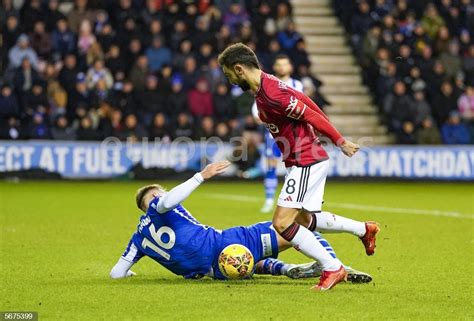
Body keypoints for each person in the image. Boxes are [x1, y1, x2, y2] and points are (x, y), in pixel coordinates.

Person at [218, 43, 379, 291]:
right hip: (303, 159)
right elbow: (307, 102)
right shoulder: (266, 87)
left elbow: (310, 115)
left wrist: (340, 141)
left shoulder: (272, 94)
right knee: (304, 219)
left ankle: (331, 267)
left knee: (282, 223)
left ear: (239, 69)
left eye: (229, 75)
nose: (229, 80)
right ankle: (363, 229)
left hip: (306, 159)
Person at [110, 161, 372, 284]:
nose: (162, 196)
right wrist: (200, 176)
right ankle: (337, 266)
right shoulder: (160, 205)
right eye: (157, 194)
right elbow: (166, 202)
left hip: (218, 271)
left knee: (252, 261)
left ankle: (290, 269)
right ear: (151, 202)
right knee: (294, 225)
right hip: (227, 243)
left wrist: (130, 272)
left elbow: (116, 273)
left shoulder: (138, 238)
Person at [252, 54, 304, 213]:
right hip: (273, 133)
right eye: (279, 65)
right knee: (271, 165)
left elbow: (299, 107)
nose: (282, 67)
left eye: (285, 64)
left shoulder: (297, 84)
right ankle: (269, 200)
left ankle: (294, 200)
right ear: (274, 67)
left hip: (292, 133)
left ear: (290, 67)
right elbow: (256, 113)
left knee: (295, 167)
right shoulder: (266, 84)